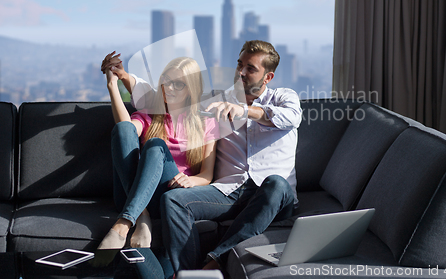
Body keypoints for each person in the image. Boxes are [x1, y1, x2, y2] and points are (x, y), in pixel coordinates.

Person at [103, 40, 302, 274]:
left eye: (250, 68)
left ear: (267, 77)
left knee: (276, 183)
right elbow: (164, 93)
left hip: (273, 196)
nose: (240, 72)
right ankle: (187, 274)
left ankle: (217, 258)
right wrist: (122, 75)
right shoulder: (219, 101)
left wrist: (245, 111)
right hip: (230, 192)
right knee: (173, 200)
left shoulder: (284, 98)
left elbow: (291, 117)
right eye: (239, 64)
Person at [99, 55, 218, 250]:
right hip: (134, 194)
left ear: (191, 89)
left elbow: (207, 175)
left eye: (178, 84)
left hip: (170, 195)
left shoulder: (206, 122)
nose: (169, 88)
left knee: (155, 146)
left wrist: (192, 180)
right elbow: (125, 132)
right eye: (166, 81)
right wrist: (113, 86)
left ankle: (130, 220)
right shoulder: (150, 113)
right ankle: (139, 216)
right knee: (125, 129)